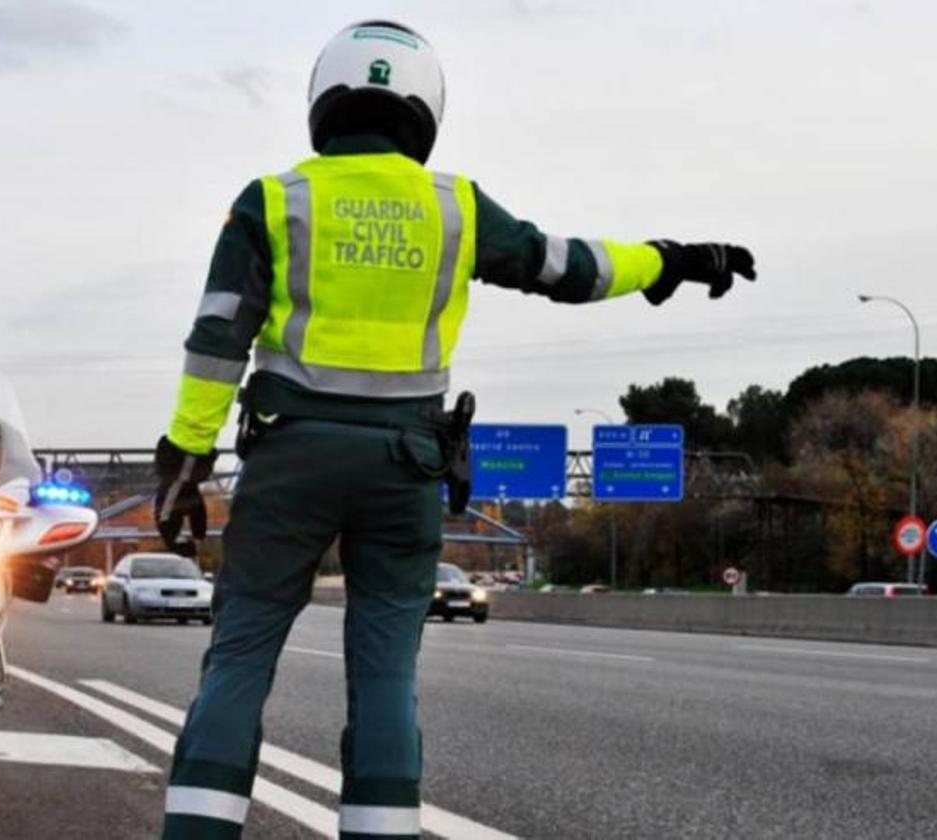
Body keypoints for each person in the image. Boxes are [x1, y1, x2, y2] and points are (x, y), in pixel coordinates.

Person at [154, 19, 756, 839]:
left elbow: (218, 338)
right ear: (425, 107)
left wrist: (185, 458)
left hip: (290, 461)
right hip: (406, 468)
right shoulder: (456, 208)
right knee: (386, 674)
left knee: (240, 657)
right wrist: (670, 261)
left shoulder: (274, 200)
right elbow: (567, 266)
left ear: (324, 102)